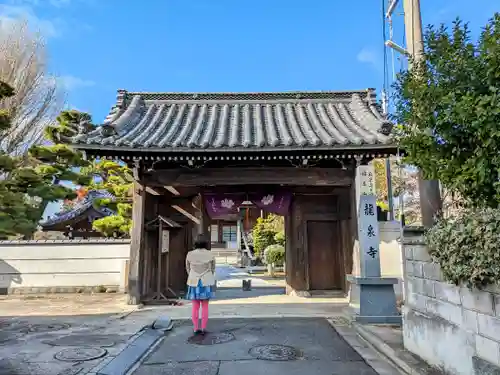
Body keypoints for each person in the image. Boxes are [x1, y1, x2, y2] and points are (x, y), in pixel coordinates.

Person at [185, 235, 216, 335]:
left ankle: (195, 328)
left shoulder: (190, 254)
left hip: (194, 282)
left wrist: (193, 275)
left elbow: (188, 268)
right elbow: (212, 268)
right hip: (206, 281)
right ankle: (203, 328)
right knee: (205, 306)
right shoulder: (210, 254)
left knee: (195, 306)